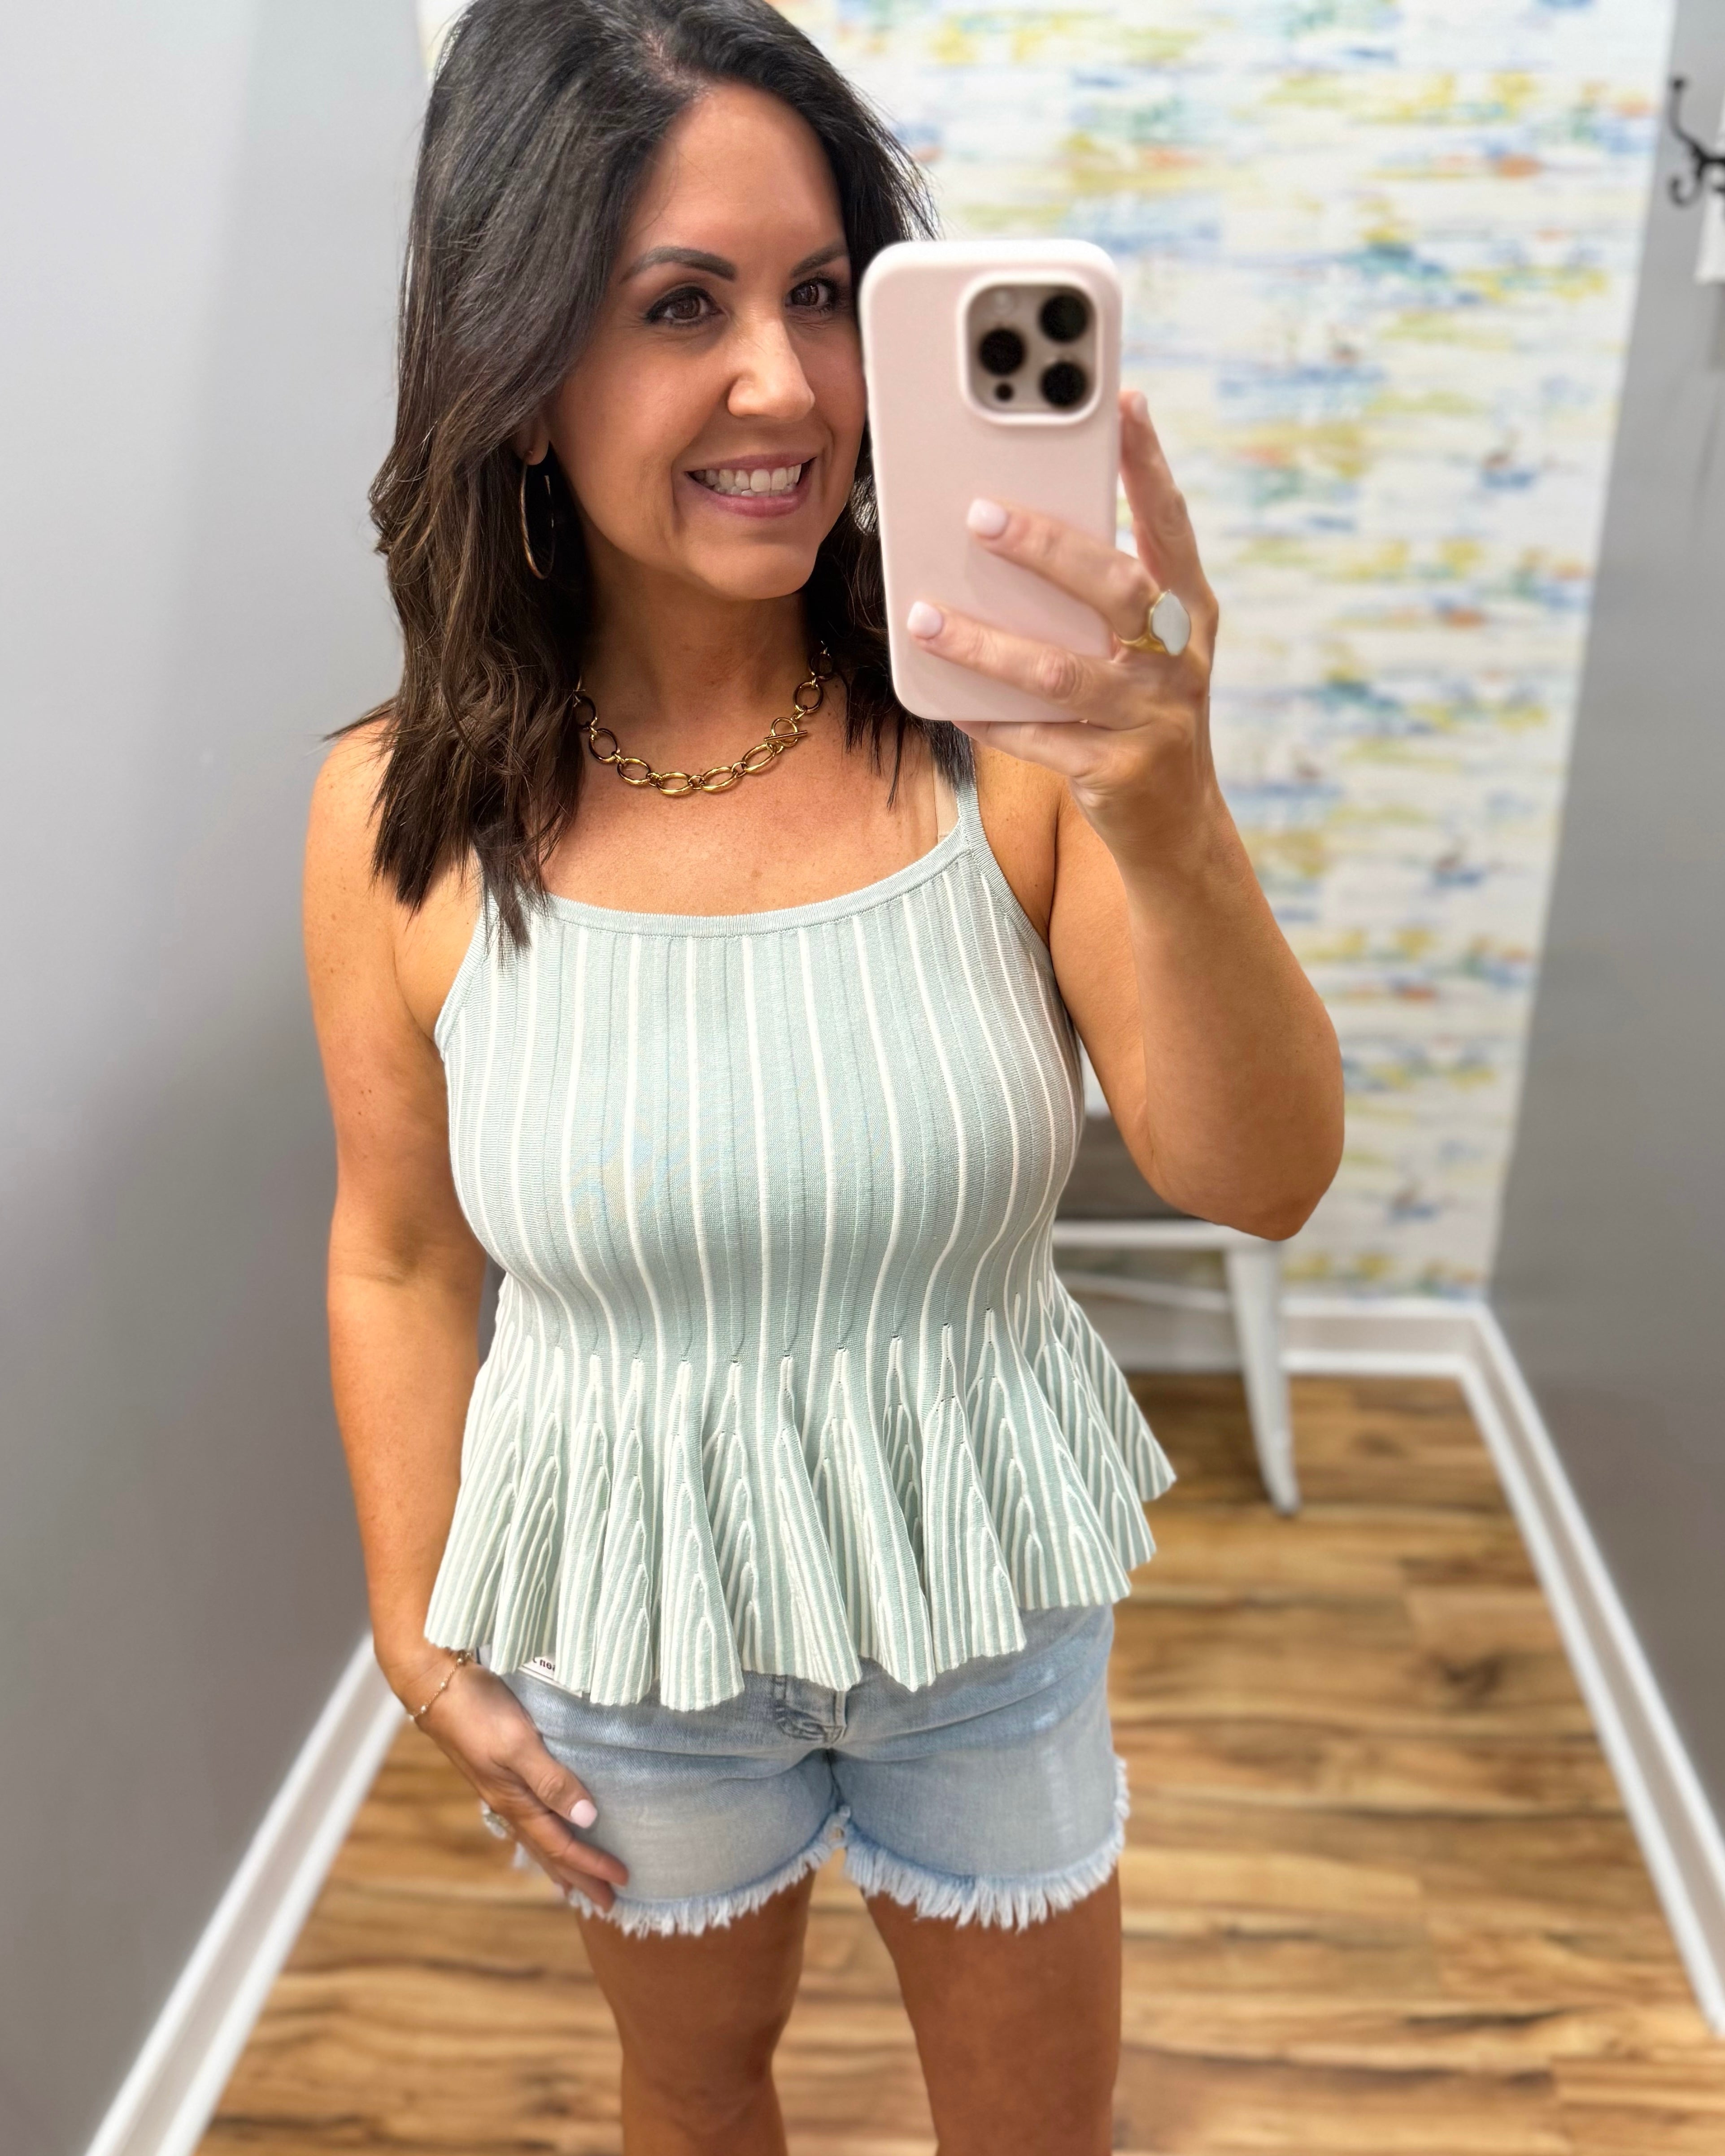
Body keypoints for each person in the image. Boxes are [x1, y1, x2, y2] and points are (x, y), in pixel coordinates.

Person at [303, 1, 1342, 2148]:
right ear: (513, 381)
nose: (781, 383)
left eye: (816, 296)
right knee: (691, 2096)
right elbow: (396, 1253)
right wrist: (416, 1633)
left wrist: (1169, 796)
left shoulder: (1008, 758)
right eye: (676, 308)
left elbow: (1257, 1180)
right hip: (629, 1594)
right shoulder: (392, 815)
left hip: (976, 1568)